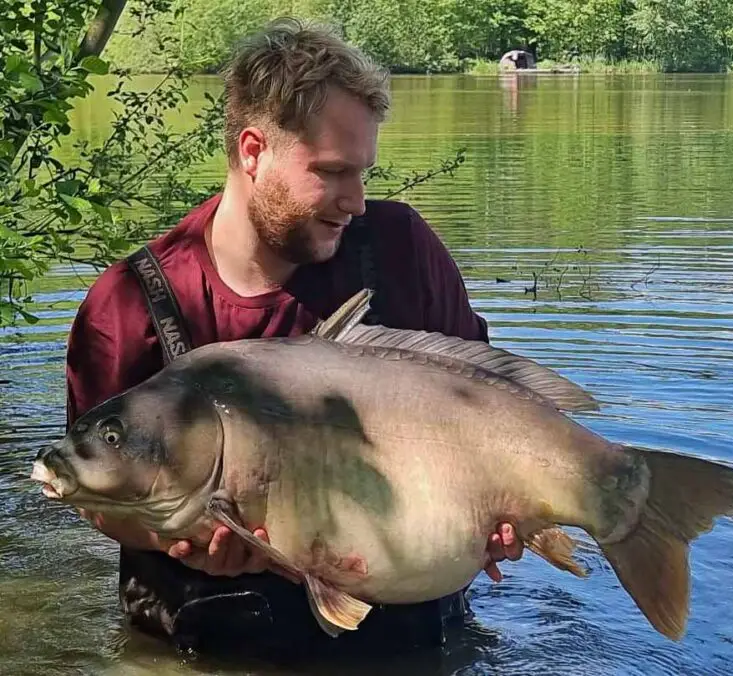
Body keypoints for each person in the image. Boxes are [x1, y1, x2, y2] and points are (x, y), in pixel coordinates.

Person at [65, 17, 523, 657]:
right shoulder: (129, 307)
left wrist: (502, 508)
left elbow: (488, 408)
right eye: (333, 172)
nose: (357, 200)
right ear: (253, 151)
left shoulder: (401, 252)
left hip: (404, 641)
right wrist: (182, 536)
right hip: (203, 648)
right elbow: (91, 489)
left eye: (364, 172)